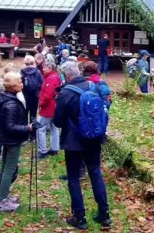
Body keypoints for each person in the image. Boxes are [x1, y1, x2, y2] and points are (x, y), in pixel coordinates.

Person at [54, 61, 111, 230]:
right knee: (95, 173)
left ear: (66, 75)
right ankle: (104, 214)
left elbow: (57, 121)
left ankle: (80, 217)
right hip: (94, 137)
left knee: (73, 178)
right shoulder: (93, 86)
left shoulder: (65, 93)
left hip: (74, 142)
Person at [59, 61, 112, 181]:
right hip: (97, 120)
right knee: (93, 155)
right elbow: (107, 101)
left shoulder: (84, 83)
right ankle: (88, 173)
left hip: (80, 121)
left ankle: (80, 172)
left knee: (80, 147)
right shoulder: (101, 83)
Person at [0, 71, 37, 212]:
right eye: (19, 82)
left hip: (5, 138)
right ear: (12, 86)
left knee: (5, 167)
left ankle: (2, 195)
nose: (22, 84)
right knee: (9, 169)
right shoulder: (11, 104)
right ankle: (3, 201)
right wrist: (29, 128)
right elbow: (10, 126)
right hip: (11, 140)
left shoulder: (5, 96)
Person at [37, 59, 62, 159]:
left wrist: (41, 103)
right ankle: (54, 148)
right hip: (55, 107)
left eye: (44, 67)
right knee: (54, 128)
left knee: (40, 128)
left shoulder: (51, 79)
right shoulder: (56, 77)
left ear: (50, 68)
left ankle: (42, 151)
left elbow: (48, 95)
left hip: (48, 108)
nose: (42, 69)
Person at [21, 55, 44, 123]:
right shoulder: (38, 72)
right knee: (33, 114)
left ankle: (24, 129)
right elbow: (42, 83)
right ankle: (32, 130)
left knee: (24, 112)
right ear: (33, 62)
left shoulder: (22, 72)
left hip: (24, 95)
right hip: (35, 95)